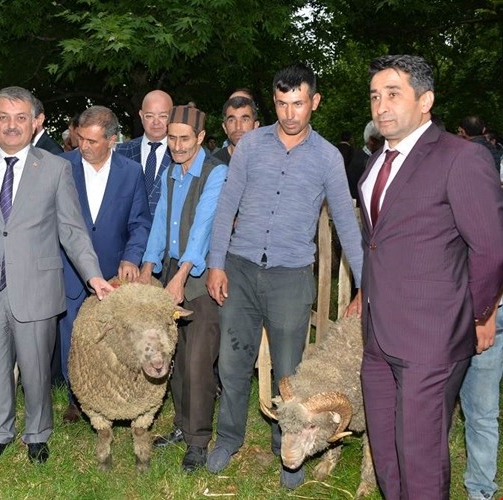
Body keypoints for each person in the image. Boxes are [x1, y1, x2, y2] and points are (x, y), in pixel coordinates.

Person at [205, 64, 364, 487]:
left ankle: (286, 448)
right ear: (272, 101)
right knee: (233, 363)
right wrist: (216, 263)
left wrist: (366, 284)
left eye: (298, 104)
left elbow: (347, 225)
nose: (289, 113)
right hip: (239, 270)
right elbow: (226, 207)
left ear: (314, 102)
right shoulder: (251, 146)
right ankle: (229, 438)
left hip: (291, 277)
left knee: (289, 374)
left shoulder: (329, 157)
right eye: (281, 104)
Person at [359, 54, 503, 500]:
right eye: (375, 96)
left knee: (420, 459)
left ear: (426, 101)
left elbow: (492, 249)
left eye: (393, 94)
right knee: (387, 454)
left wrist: (477, 314)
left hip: (432, 337)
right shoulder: (375, 163)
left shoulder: (461, 158)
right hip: (378, 336)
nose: (381, 106)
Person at [0, 85, 113, 466]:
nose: (12, 126)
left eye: (20, 118)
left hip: (36, 287)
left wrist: (93, 277)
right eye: (3, 118)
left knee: (37, 368)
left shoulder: (55, 168)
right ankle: (0, 430)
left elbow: (72, 230)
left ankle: (37, 433)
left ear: (35, 122)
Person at [138, 105, 227, 472]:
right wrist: (148, 267)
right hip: (173, 270)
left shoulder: (215, 172)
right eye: (171, 138)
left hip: (200, 276)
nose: (176, 145)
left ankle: (198, 440)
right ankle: (180, 425)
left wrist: (181, 275)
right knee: (175, 358)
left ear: (201, 138)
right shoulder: (172, 172)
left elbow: (204, 225)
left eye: (184, 139)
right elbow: (160, 221)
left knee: (198, 362)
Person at [58, 105, 151, 423]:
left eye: (93, 141)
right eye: (81, 138)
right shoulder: (61, 166)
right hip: (69, 269)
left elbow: (140, 222)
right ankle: (75, 397)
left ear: (112, 140)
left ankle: (111, 394)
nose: (84, 146)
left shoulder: (131, 172)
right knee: (70, 334)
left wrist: (131, 257)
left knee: (111, 336)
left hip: (114, 271)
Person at [460, 300, 503, 500]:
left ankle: (480, 491)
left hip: (483, 311)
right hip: (438, 306)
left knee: (481, 412)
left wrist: (489, 311)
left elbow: (494, 267)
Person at [115, 90, 174, 217]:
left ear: (172, 116)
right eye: (149, 116)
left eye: (163, 116)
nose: (156, 122)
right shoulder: (122, 152)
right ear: (141, 116)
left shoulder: (181, 154)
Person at [213, 96, 260, 165]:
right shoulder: (212, 166)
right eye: (231, 120)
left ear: (255, 126)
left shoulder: (269, 162)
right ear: (225, 127)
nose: (238, 127)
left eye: (245, 120)